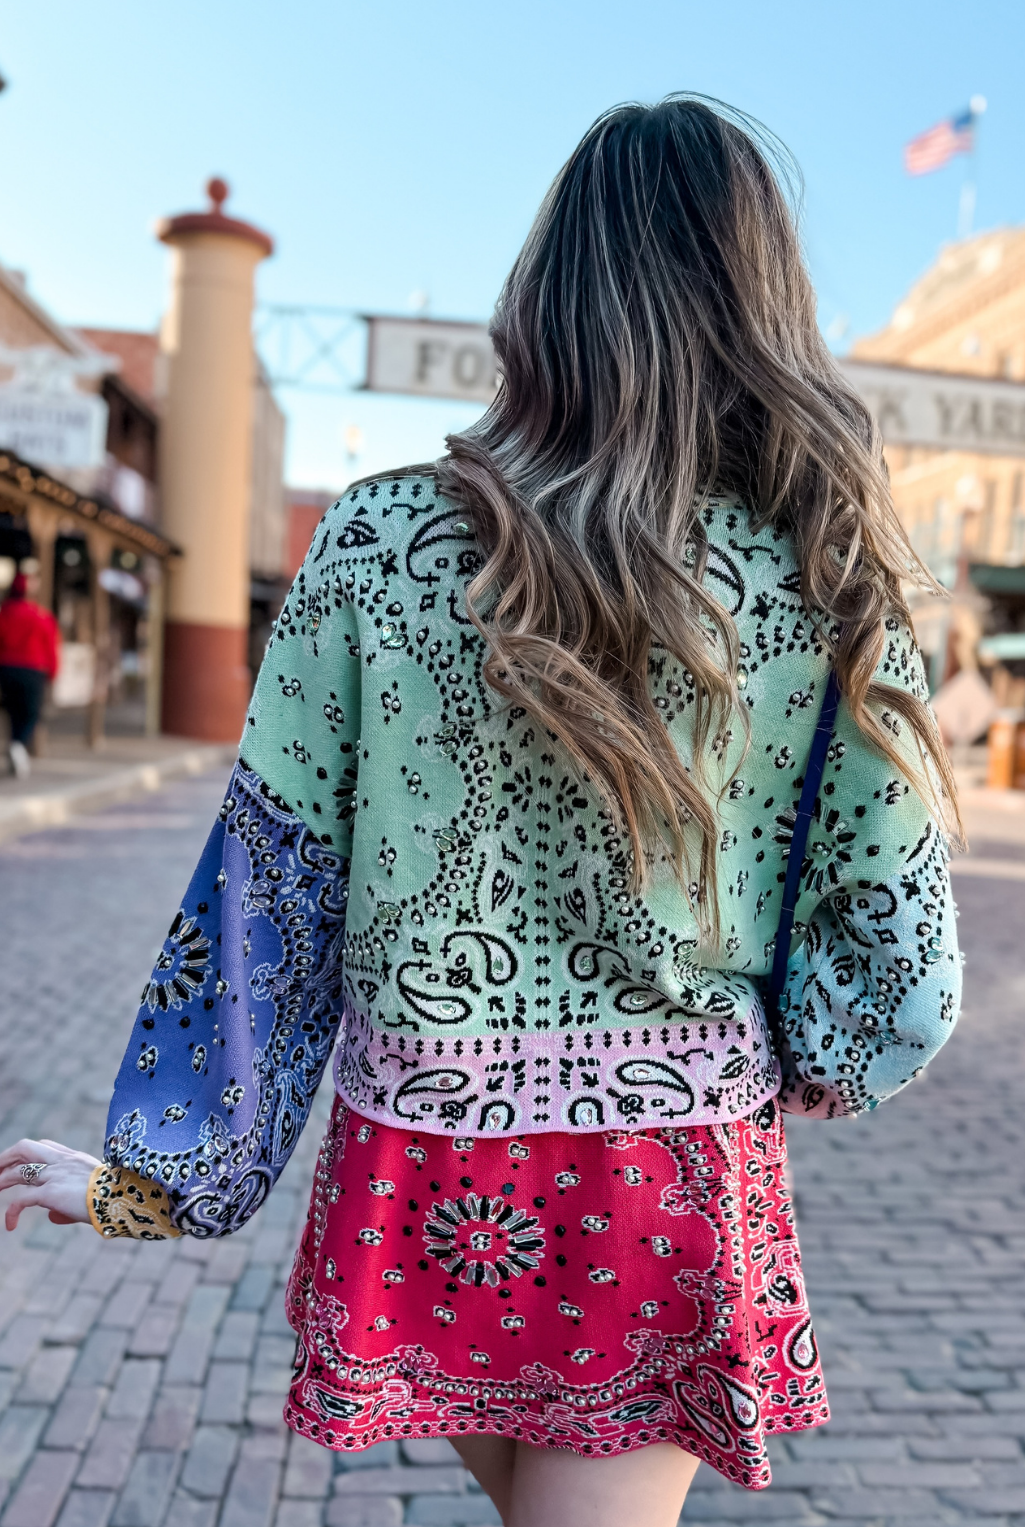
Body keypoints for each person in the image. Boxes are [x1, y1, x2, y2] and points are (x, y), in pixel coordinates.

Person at [0, 97, 963, 1527]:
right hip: (670, 1169)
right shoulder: (824, 571)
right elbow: (894, 949)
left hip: (420, 1160)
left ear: (543, 293)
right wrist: (805, 1054)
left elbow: (267, 888)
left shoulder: (378, 540)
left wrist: (165, 1175)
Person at [0, 568, 60, 778]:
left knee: (12, 709)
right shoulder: (41, 615)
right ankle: (18, 745)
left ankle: (15, 747)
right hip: (33, 670)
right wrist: (53, 673)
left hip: (6, 669)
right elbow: (52, 647)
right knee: (30, 713)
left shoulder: (4, 613)